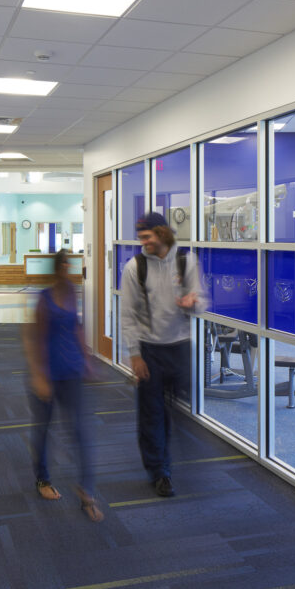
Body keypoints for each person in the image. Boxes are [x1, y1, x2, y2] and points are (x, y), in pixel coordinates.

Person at [120, 212, 208, 497]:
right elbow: (128, 315)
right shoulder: (135, 267)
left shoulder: (187, 261)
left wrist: (193, 303)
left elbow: (202, 300)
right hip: (150, 351)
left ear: (162, 233)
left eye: (147, 236)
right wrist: (135, 355)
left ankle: (178, 459)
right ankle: (160, 472)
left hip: (180, 347)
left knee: (181, 411)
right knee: (152, 415)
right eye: (140, 237)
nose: (142, 242)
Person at [24, 249, 103, 522]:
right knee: (44, 430)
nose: (69, 270)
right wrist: (38, 376)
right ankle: (42, 480)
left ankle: (87, 491)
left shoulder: (71, 291)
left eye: (72, 265)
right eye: (66, 265)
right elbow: (34, 338)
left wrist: (88, 359)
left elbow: (77, 326)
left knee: (81, 430)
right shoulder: (44, 298)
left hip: (71, 371)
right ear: (57, 268)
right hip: (47, 373)